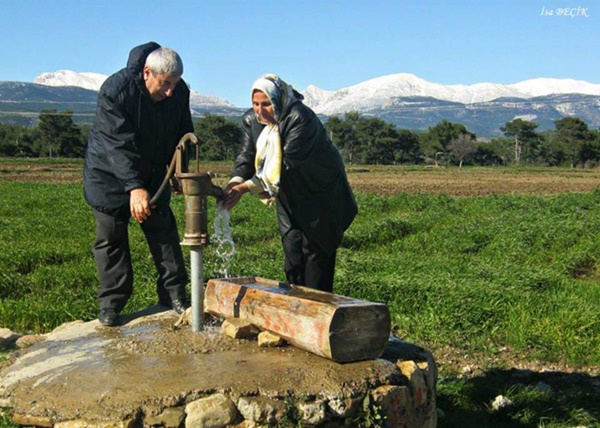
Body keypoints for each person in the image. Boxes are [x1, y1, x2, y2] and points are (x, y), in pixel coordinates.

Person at [83, 42, 192, 326]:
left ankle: (174, 296)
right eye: (165, 84)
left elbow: (184, 133)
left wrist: (180, 171)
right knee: (111, 237)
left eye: (175, 84)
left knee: (163, 231)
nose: (170, 91)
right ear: (147, 72)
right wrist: (134, 187)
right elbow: (117, 144)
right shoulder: (116, 91)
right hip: (108, 173)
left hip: (154, 172)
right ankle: (112, 305)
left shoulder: (179, 92)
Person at [222, 74, 358, 293]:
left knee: (316, 251)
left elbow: (285, 165)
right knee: (293, 252)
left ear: (278, 99)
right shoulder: (252, 121)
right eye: (255, 104)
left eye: (266, 104)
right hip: (288, 193)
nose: (260, 110)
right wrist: (235, 181)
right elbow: (246, 156)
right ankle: (295, 306)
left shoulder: (299, 117)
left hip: (320, 193)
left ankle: (318, 310)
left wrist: (245, 188)